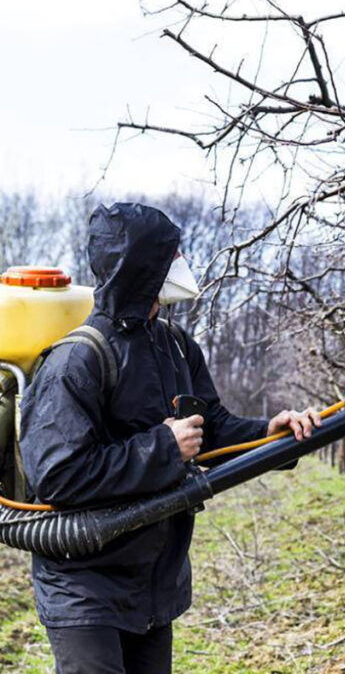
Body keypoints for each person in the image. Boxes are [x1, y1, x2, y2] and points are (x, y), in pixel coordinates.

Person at [18, 203, 320, 674]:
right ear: (141, 266)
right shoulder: (76, 361)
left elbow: (210, 430)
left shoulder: (176, 345)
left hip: (154, 583)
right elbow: (58, 476)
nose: (179, 265)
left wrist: (269, 434)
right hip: (84, 588)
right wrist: (163, 447)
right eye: (169, 256)